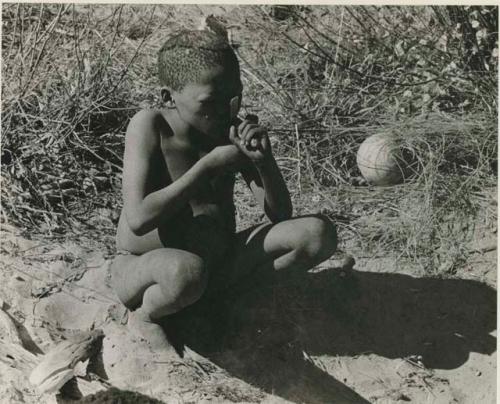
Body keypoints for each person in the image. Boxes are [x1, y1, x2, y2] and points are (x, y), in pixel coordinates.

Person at [110, 26, 338, 351]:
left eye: (235, 97)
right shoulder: (150, 126)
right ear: (167, 97)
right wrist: (207, 167)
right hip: (147, 268)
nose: (225, 111)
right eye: (210, 101)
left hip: (217, 266)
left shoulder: (228, 130)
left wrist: (263, 163)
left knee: (316, 233)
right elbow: (139, 218)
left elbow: (279, 216)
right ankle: (147, 316)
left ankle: (223, 304)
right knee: (185, 272)